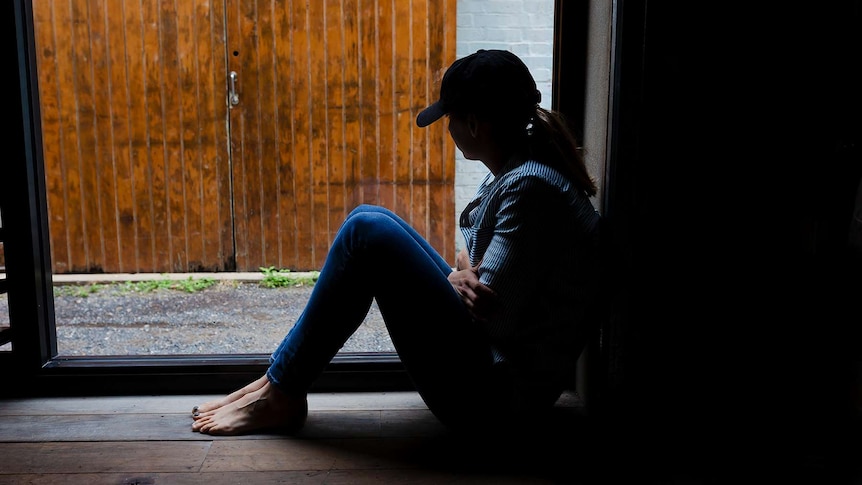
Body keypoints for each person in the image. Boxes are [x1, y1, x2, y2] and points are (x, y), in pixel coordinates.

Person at [191, 49, 601, 435]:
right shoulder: (518, 169)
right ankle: (278, 382)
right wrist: (459, 276)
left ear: (474, 124)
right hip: (492, 373)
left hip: (493, 403)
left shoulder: (529, 187)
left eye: (450, 119)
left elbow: (491, 316)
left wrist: (457, 276)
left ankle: (281, 392)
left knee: (367, 234)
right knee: (369, 218)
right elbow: (475, 270)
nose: (449, 128)